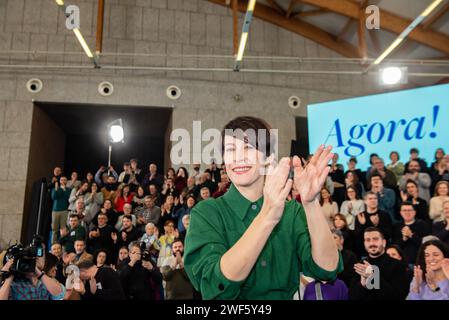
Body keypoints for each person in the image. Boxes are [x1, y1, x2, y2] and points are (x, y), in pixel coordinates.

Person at [184, 116, 341, 300]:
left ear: (268, 158)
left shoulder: (292, 211)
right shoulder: (207, 212)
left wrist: (311, 202)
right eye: (230, 149)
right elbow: (214, 283)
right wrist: (268, 216)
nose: (238, 157)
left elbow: (327, 269)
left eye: (249, 147)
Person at [349, 227, 409, 300]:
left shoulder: (398, 265)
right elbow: (352, 296)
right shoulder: (359, 266)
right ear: (364, 243)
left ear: (384, 242)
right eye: (368, 240)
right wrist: (363, 285)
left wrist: (374, 276)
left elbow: (398, 296)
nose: (371, 243)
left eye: (375, 239)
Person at [0, 254, 65, 300]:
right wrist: (10, 273)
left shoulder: (46, 282)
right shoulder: (15, 283)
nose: (36, 259)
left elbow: (59, 295)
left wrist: (38, 271)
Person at [354, 192, 392, 257]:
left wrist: (376, 225)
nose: (373, 200)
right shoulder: (360, 216)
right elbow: (357, 237)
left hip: (382, 252)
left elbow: (388, 234)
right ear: (365, 201)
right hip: (365, 253)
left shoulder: (384, 215)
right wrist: (363, 224)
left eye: (375, 198)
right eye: (370, 199)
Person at [51, 176, 72, 244]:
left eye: (65, 180)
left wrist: (63, 190)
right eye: (62, 180)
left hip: (64, 210)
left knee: (63, 228)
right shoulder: (56, 188)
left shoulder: (68, 189)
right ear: (60, 181)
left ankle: (62, 244)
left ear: (66, 181)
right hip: (55, 210)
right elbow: (54, 197)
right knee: (54, 229)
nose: (63, 181)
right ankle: (53, 245)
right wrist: (57, 189)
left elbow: (67, 198)